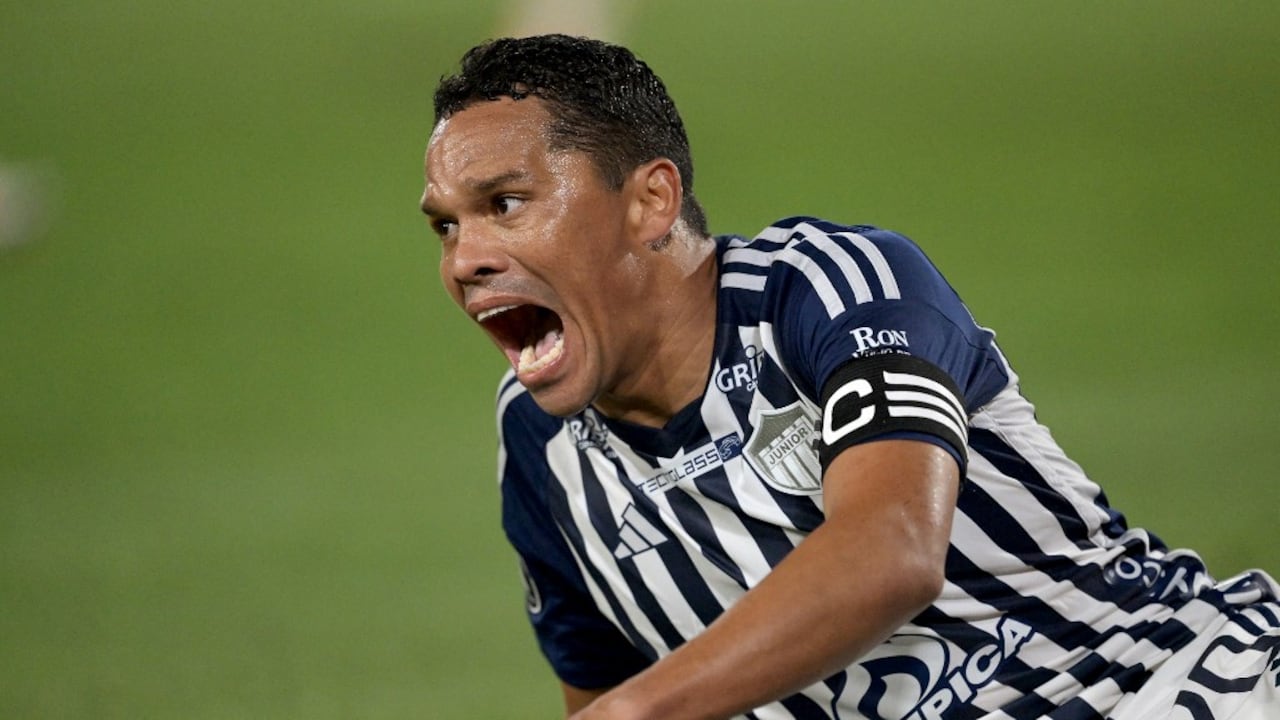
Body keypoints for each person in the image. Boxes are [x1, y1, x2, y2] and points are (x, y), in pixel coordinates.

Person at [419, 34, 1280, 720]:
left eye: (503, 204)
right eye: (446, 228)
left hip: (1181, 682)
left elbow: (893, 552)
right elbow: (602, 692)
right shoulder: (538, 449)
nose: (467, 261)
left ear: (651, 201)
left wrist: (640, 711)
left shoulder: (829, 285)